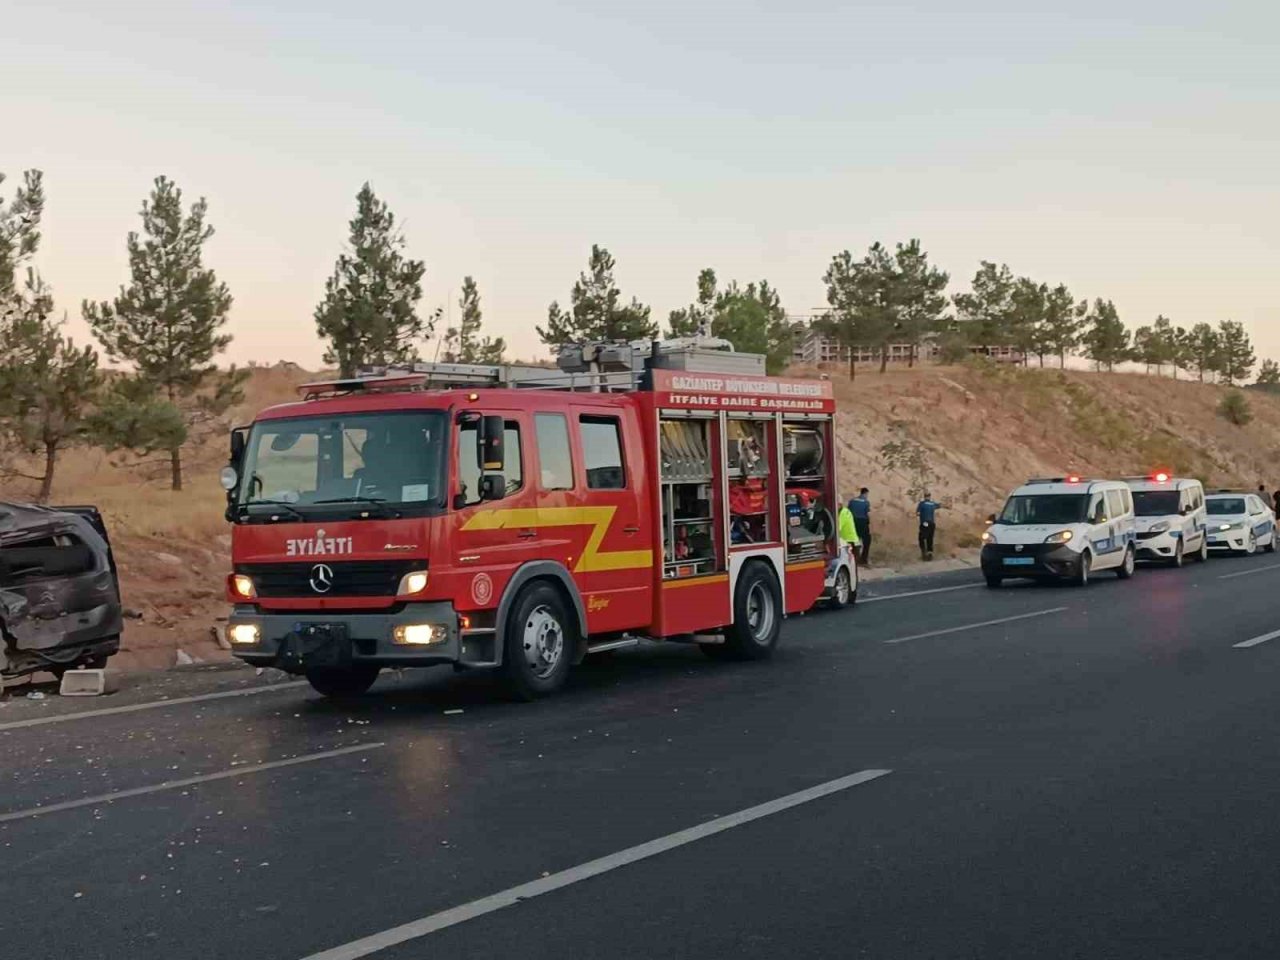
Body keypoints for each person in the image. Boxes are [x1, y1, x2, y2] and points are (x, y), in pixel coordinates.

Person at [848, 488, 871, 566]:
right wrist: (868, 522)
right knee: (867, 540)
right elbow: (867, 514)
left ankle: (853, 558)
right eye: (867, 495)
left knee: (853, 540)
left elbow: (849, 511)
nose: (867, 496)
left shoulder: (852, 501)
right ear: (865, 494)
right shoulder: (866, 502)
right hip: (862, 522)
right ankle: (863, 559)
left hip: (852, 522)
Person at [916, 492, 942, 561]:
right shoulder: (933, 503)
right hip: (932, 524)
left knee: (921, 537)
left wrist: (920, 514)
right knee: (930, 539)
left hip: (925, 523)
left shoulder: (922, 504)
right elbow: (940, 505)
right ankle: (930, 553)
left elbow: (917, 513)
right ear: (929, 497)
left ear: (924, 497)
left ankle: (923, 552)